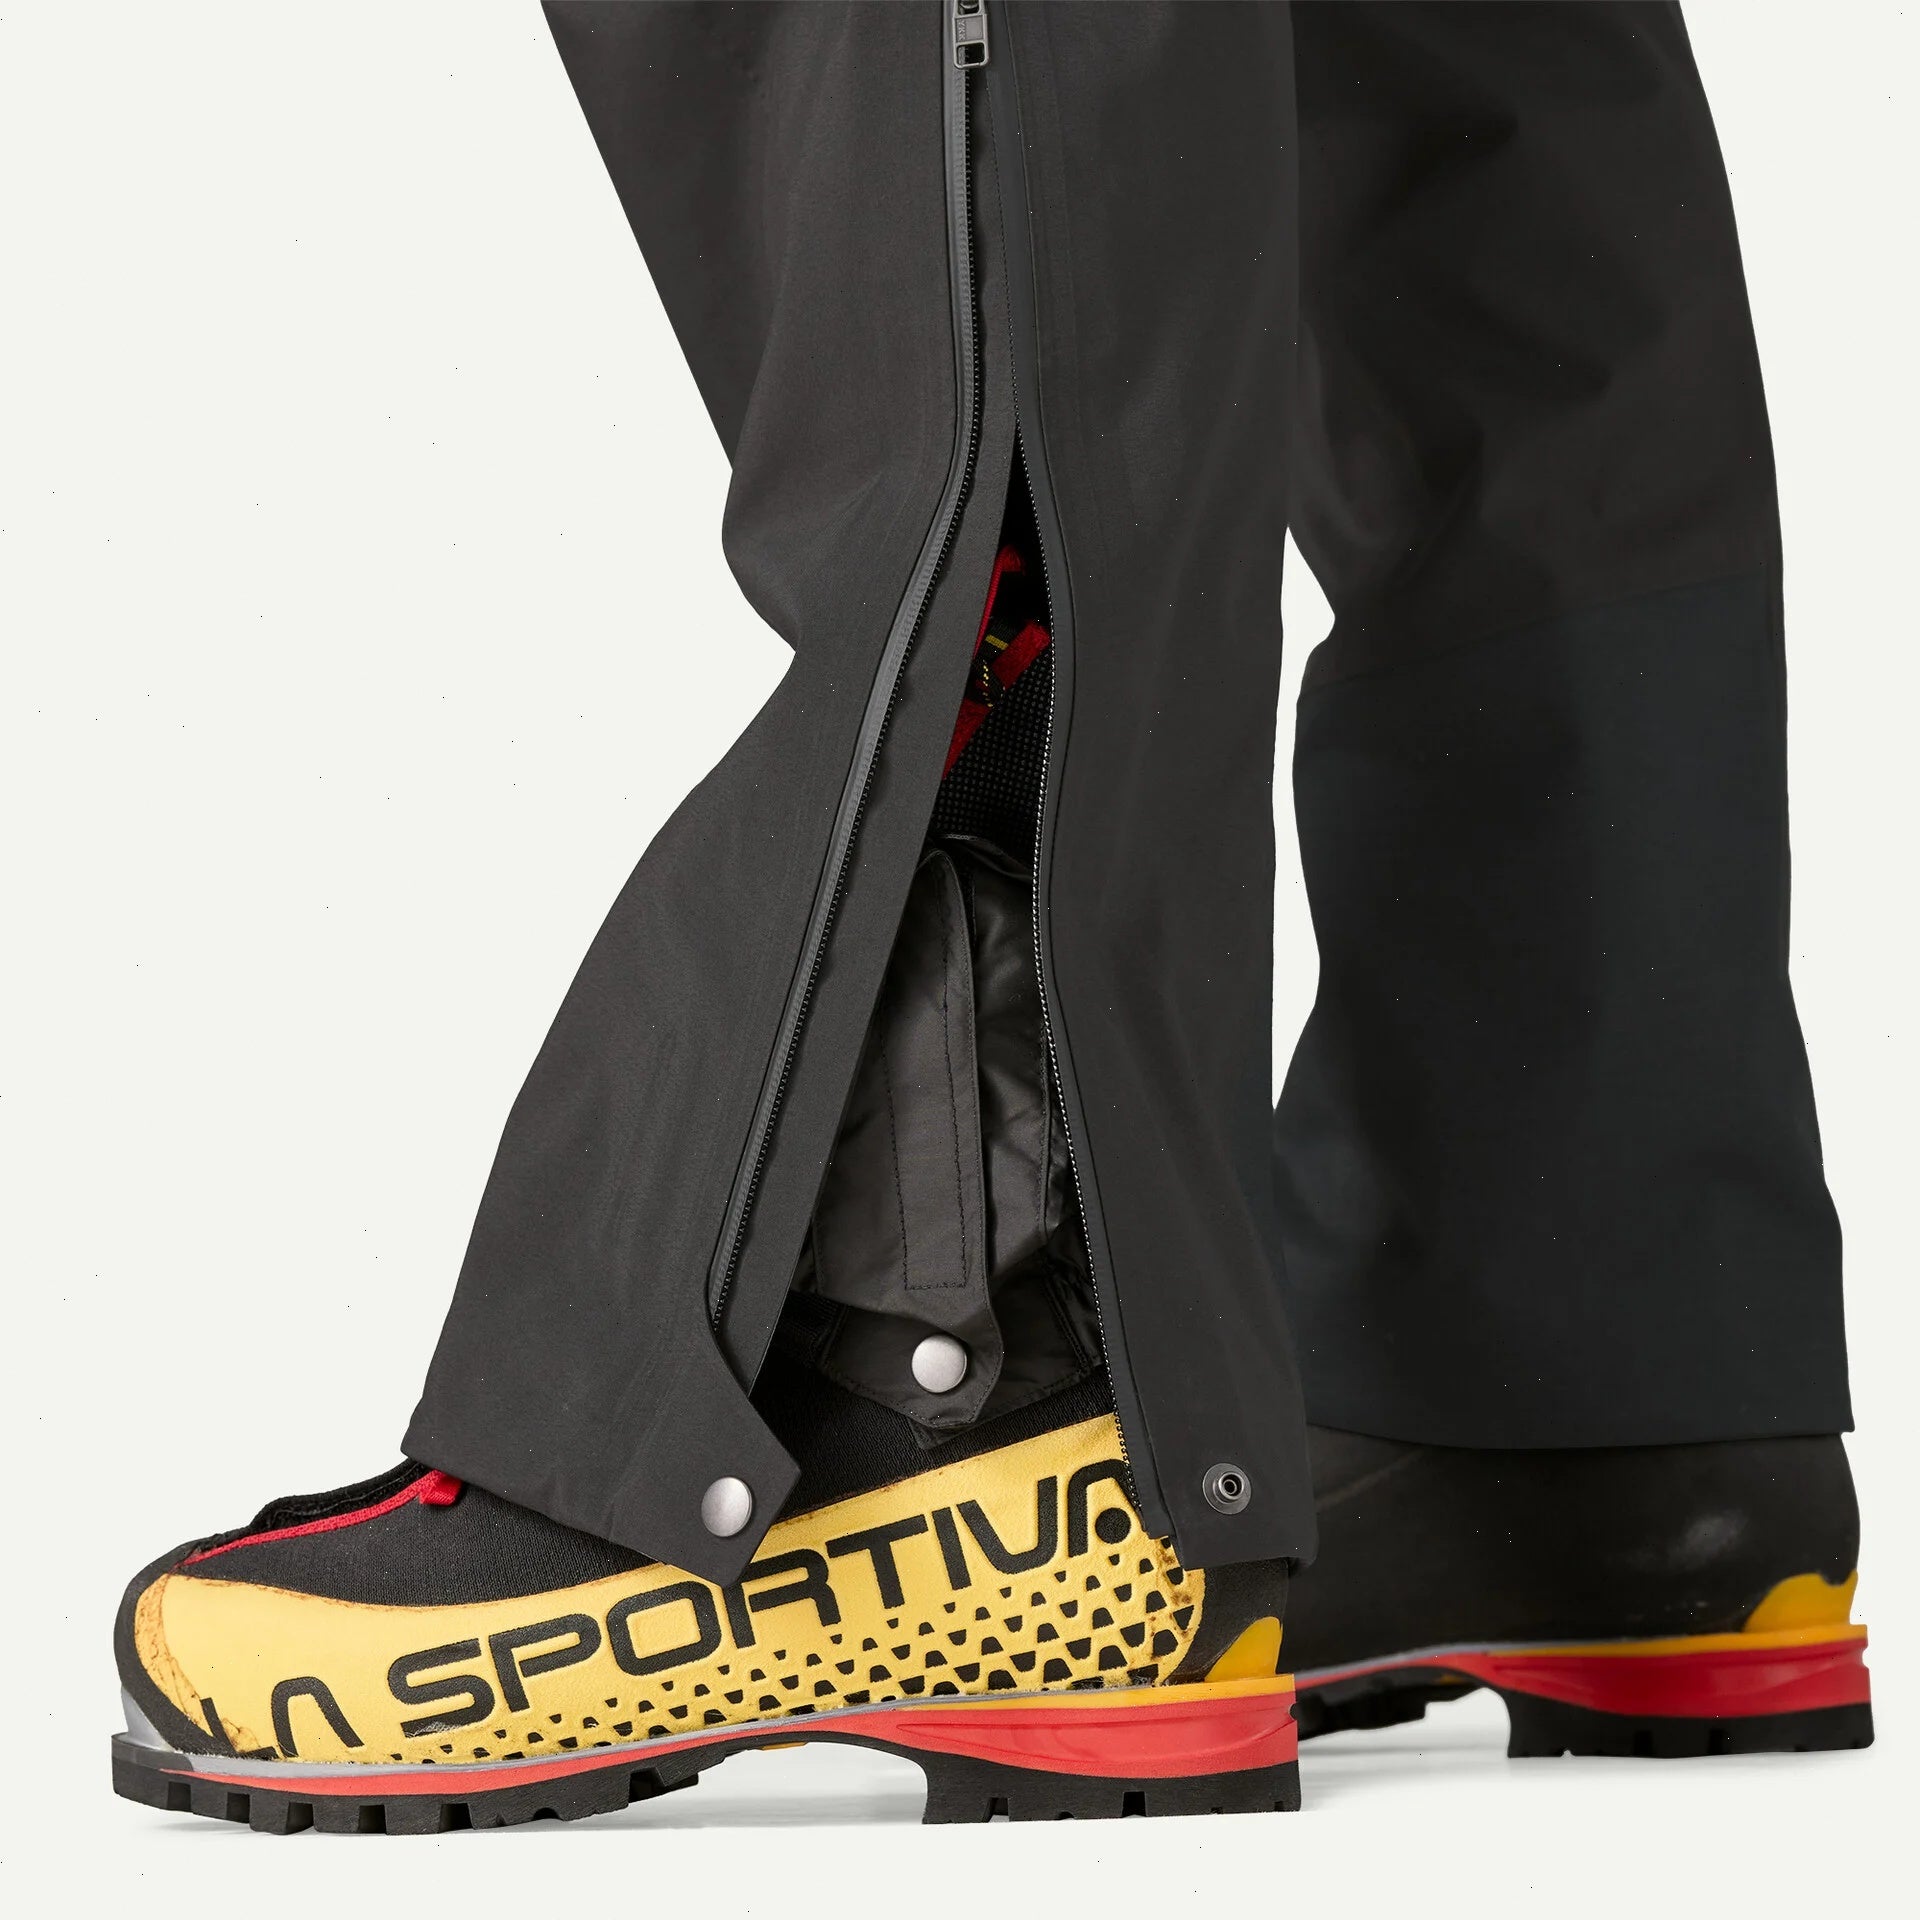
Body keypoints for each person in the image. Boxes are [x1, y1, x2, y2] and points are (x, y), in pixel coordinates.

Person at [111, 2, 1868, 1833]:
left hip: (969, 1405)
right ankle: (1581, 1373)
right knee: (1451, 52)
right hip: (1600, 1340)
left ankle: (970, 1371)